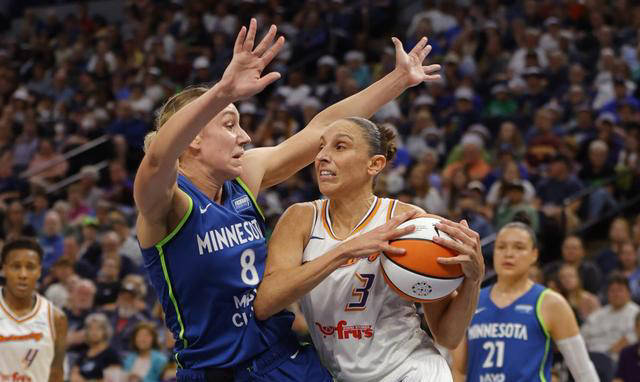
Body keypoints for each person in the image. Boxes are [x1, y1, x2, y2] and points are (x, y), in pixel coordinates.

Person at [134, 18, 441, 382]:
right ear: (194, 139)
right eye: (230, 124)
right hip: (221, 371)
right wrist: (222, 92)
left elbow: (319, 129)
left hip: (285, 357)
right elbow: (158, 160)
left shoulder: (244, 178)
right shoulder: (169, 203)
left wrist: (399, 80)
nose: (245, 137)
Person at [254, 117, 484, 381]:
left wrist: (473, 280)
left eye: (339, 147)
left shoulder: (408, 222)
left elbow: (448, 336)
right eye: (321, 147)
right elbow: (265, 303)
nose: (322, 157)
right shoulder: (300, 219)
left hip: (412, 371)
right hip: (339, 374)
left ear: (374, 164)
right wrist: (345, 251)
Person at [451, 222, 599, 382]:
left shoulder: (551, 303)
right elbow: (459, 371)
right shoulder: (472, 300)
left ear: (534, 254)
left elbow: (583, 371)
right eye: (501, 247)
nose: (508, 254)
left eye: (519, 247)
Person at [0, 237, 67, 381]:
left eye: (30, 267)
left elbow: (56, 374)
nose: (23, 275)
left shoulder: (56, 318)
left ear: (39, 271)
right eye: (16, 266)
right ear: (4, 269)